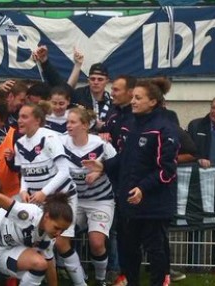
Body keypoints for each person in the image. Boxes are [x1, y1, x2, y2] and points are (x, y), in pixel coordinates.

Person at [83, 79, 179, 286]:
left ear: (152, 101)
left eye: (138, 98)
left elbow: (167, 169)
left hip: (155, 204)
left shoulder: (165, 128)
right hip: (128, 200)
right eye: (133, 97)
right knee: (128, 248)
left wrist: (143, 188)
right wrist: (103, 166)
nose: (133, 101)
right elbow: (124, 157)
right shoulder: (128, 124)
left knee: (155, 250)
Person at [14, 102, 83, 286]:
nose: (20, 120)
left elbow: (64, 171)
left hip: (62, 196)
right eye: (19, 116)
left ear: (37, 120)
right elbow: (25, 172)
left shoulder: (49, 137)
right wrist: (22, 189)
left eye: (25, 116)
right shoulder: (19, 143)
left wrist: (44, 192)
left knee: (60, 242)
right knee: (45, 246)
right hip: (40, 200)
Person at [0, 192, 74, 286]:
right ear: (47, 216)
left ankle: (0, 275)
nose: (59, 233)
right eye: (57, 228)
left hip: (7, 251)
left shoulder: (49, 237)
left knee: (40, 264)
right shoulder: (29, 214)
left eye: (63, 230)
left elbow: (50, 266)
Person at [62, 107, 117, 285]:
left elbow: (117, 165)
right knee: (61, 238)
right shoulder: (61, 143)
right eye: (67, 122)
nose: (68, 125)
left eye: (73, 122)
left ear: (85, 125)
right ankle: (79, 277)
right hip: (73, 200)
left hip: (100, 200)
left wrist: (99, 172)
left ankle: (100, 279)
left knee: (96, 242)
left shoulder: (100, 144)